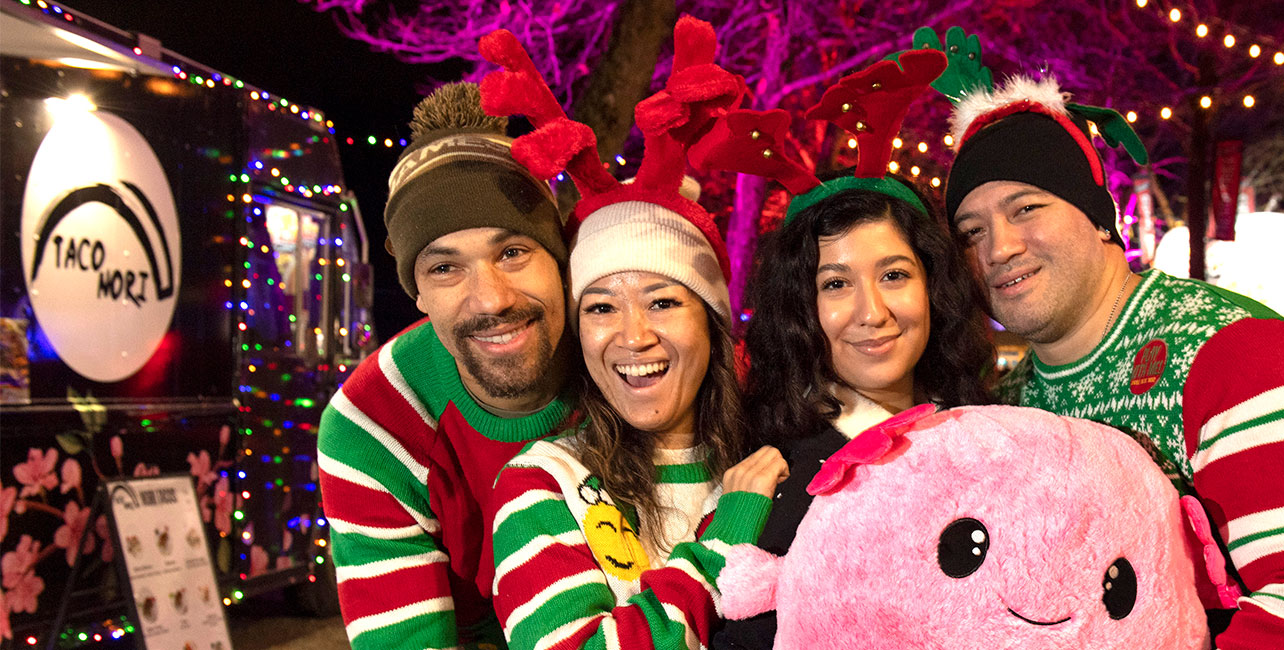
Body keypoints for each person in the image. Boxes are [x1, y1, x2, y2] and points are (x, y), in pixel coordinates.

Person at [946, 74, 1284, 649]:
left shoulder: (1238, 353)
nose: (998, 248)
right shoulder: (1005, 405)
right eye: (971, 231)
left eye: (1026, 207)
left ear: (1096, 214)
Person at [478, 19, 788, 650]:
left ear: (714, 322)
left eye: (663, 300)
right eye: (599, 308)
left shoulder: (776, 462)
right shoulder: (542, 485)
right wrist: (723, 540)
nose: (632, 336)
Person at [317, 81, 577, 649]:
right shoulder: (375, 420)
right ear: (417, 292)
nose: (490, 299)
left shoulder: (631, 361)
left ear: (558, 260)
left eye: (513, 251)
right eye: (444, 269)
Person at [712, 175, 993, 650]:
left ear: (933, 285)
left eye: (894, 275)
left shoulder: (991, 433)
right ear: (803, 308)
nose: (873, 312)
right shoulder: (775, 483)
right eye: (837, 283)